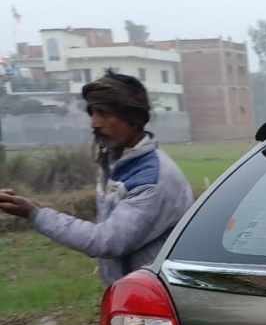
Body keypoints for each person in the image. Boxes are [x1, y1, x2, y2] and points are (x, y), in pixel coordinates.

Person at [0, 71, 194, 286]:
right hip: (130, 291)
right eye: (92, 113)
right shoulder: (117, 161)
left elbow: (106, 242)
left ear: (134, 118)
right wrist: (37, 208)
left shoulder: (151, 179)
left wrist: (35, 214)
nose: (94, 123)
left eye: (103, 113)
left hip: (155, 295)